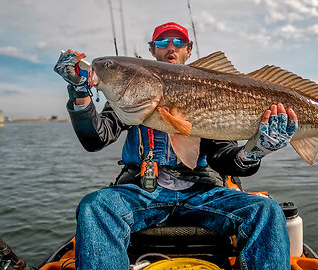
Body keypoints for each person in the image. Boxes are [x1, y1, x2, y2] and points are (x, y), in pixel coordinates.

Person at [54, 22, 298, 270]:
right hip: (142, 191)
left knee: (265, 210)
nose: (171, 48)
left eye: (179, 42)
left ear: (189, 50)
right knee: (95, 206)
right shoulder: (127, 98)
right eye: (162, 43)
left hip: (204, 192)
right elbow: (95, 139)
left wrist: (254, 151)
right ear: (152, 51)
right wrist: (78, 91)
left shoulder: (211, 91)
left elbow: (223, 157)